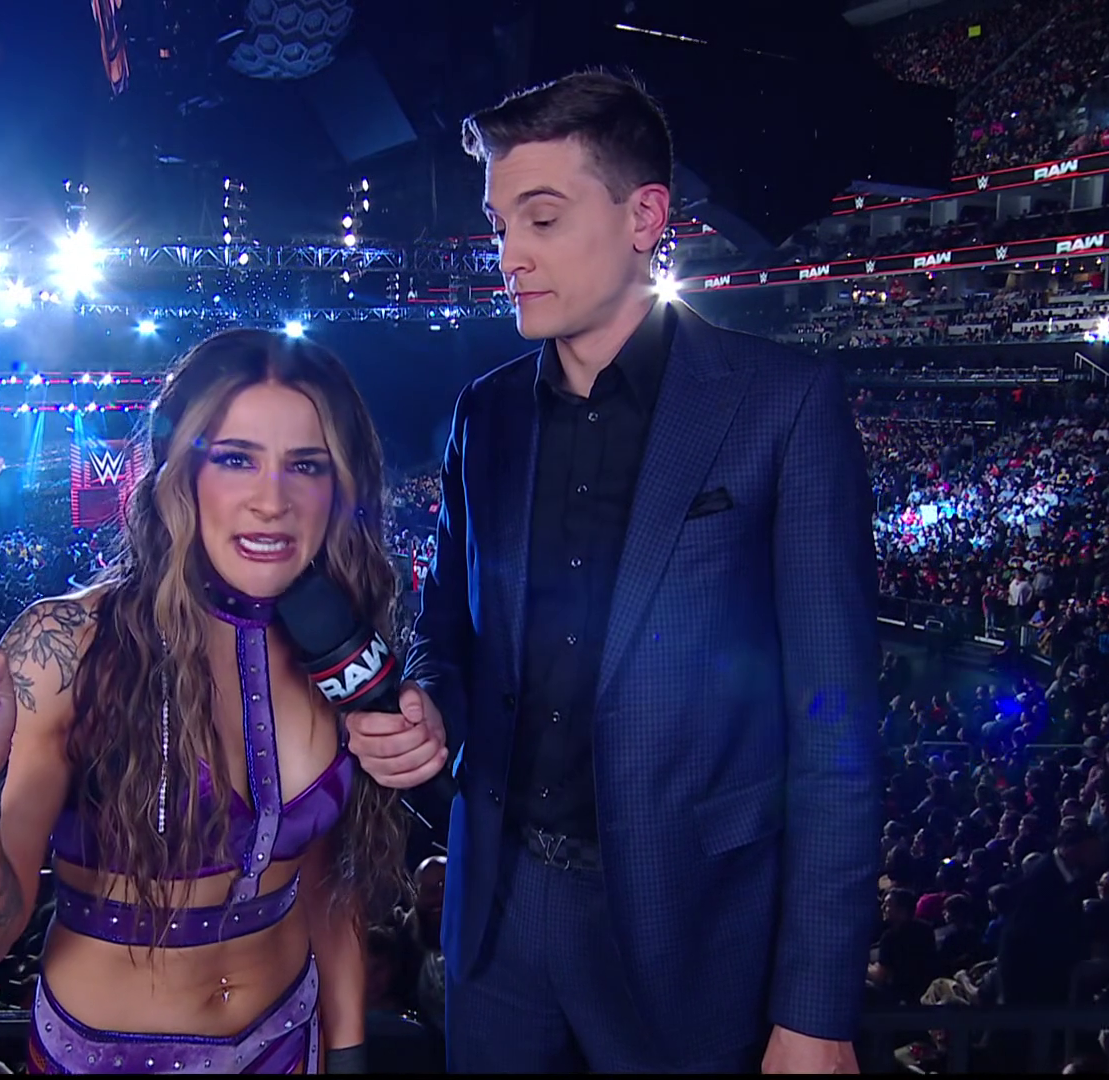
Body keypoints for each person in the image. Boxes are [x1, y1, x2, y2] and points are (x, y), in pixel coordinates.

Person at [345, 71, 881, 1072]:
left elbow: (836, 723)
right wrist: (429, 706)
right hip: (496, 918)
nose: (509, 254)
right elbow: (446, 632)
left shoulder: (783, 404)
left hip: (689, 929)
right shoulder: (484, 414)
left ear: (645, 218)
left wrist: (817, 1009)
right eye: (500, 224)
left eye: (542, 218)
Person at [0, 329, 407, 1074]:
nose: (272, 500)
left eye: (306, 465)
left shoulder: (338, 642)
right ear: (177, 472)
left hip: (290, 1046)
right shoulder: (66, 646)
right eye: (236, 458)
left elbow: (326, 882)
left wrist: (349, 1049)